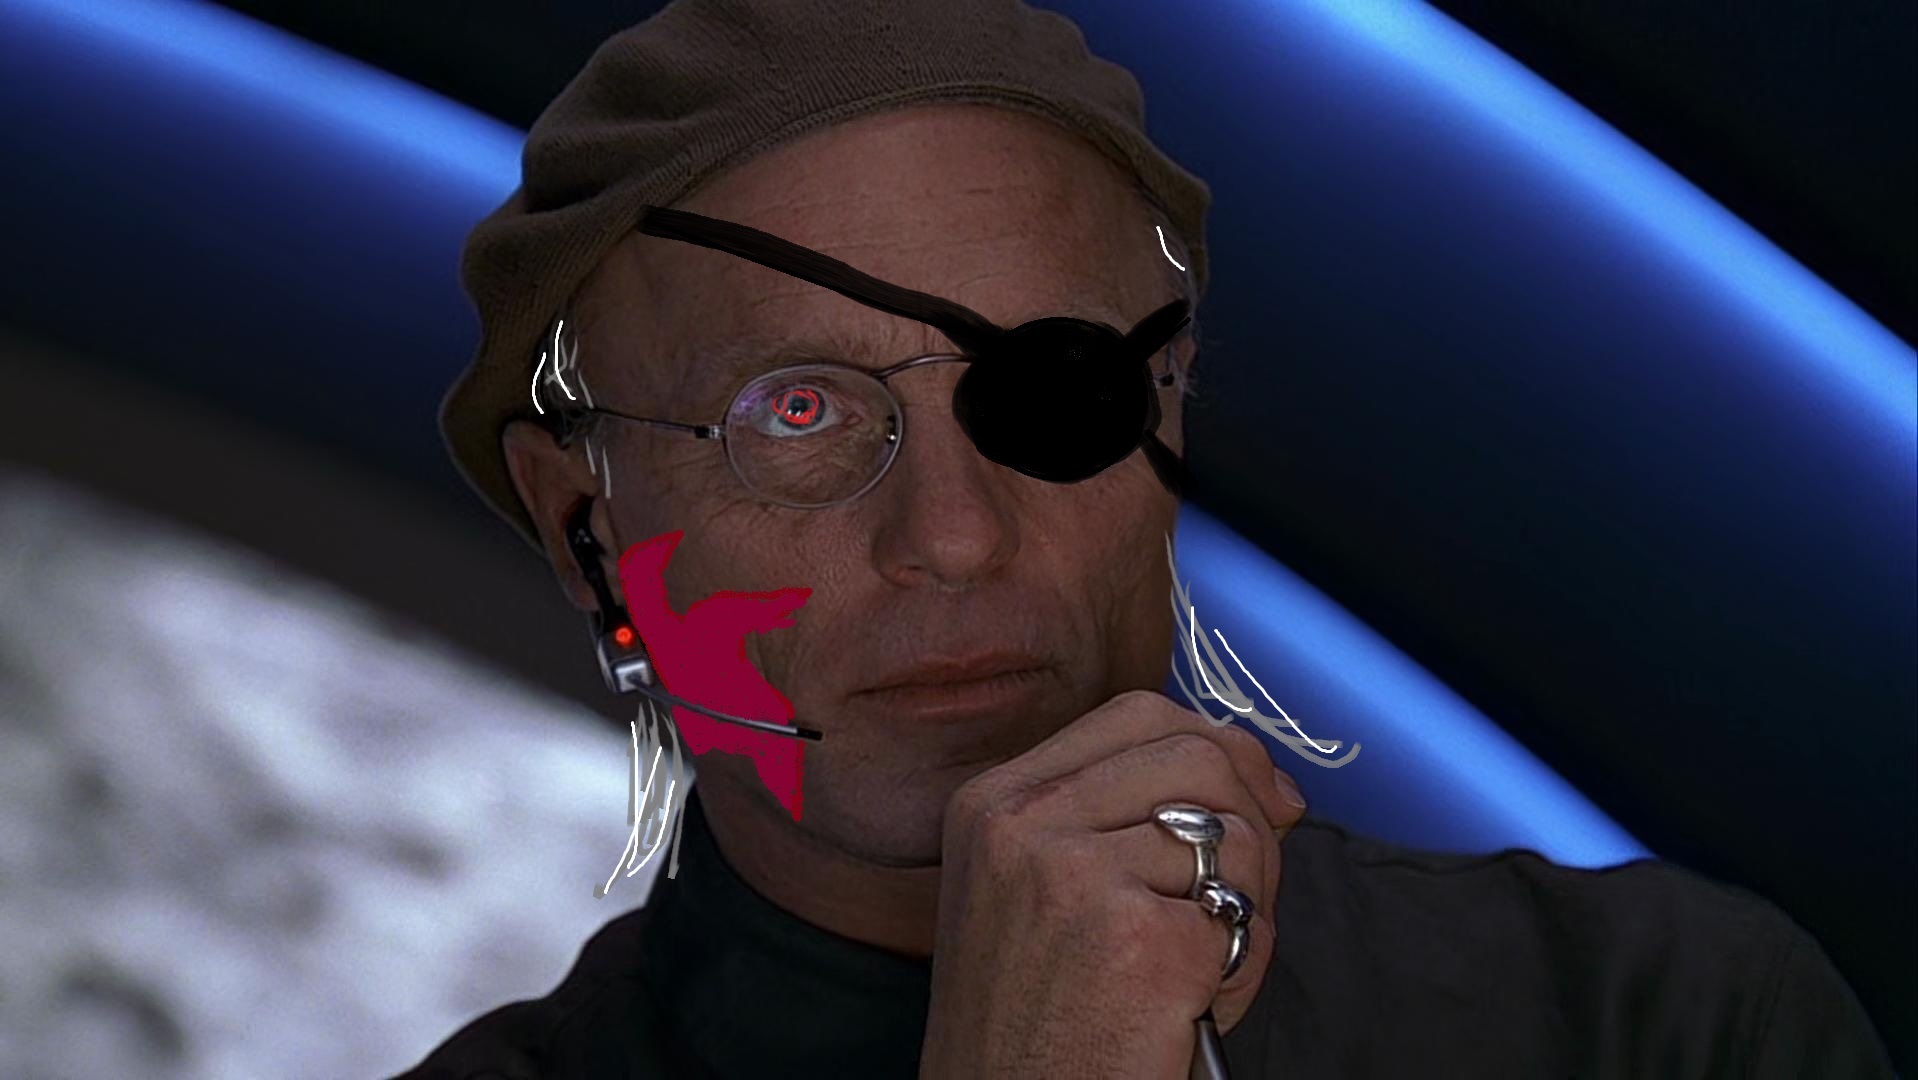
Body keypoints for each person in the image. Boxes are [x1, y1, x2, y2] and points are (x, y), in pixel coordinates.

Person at [400, 1, 1897, 1076]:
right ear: (586, 526)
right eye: (796, 414)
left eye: (1057, 390)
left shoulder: (1652, 1024)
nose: (955, 537)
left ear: (1170, 419)